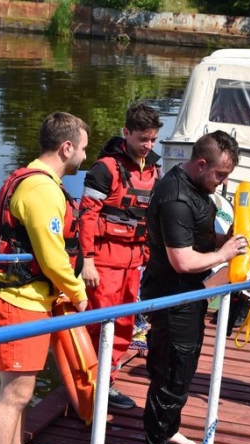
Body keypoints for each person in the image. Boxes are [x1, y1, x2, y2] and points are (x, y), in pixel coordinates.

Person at [0, 111, 90, 444]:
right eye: (82, 149)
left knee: (18, 392)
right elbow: (52, 255)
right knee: (15, 394)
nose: (84, 158)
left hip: (22, 298)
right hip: (18, 301)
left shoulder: (25, 177)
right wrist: (78, 293)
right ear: (66, 148)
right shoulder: (42, 190)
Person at [140, 130, 249, 444]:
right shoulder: (175, 197)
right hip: (173, 295)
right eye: (220, 174)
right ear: (201, 164)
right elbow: (183, 261)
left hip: (189, 296)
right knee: (171, 373)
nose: (223, 182)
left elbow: (196, 236)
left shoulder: (199, 189)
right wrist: (225, 254)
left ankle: (169, 429)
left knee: (181, 369)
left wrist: (228, 238)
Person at [79, 103, 164, 410]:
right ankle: (91, 386)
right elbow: (87, 215)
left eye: (153, 139)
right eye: (143, 139)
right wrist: (86, 259)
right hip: (103, 261)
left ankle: (106, 380)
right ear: (126, 133)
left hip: (133, 262)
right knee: (100, 325)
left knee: (126, 325)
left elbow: (154, 216)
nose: (148, 146)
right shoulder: (105, 168)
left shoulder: (154, 168)